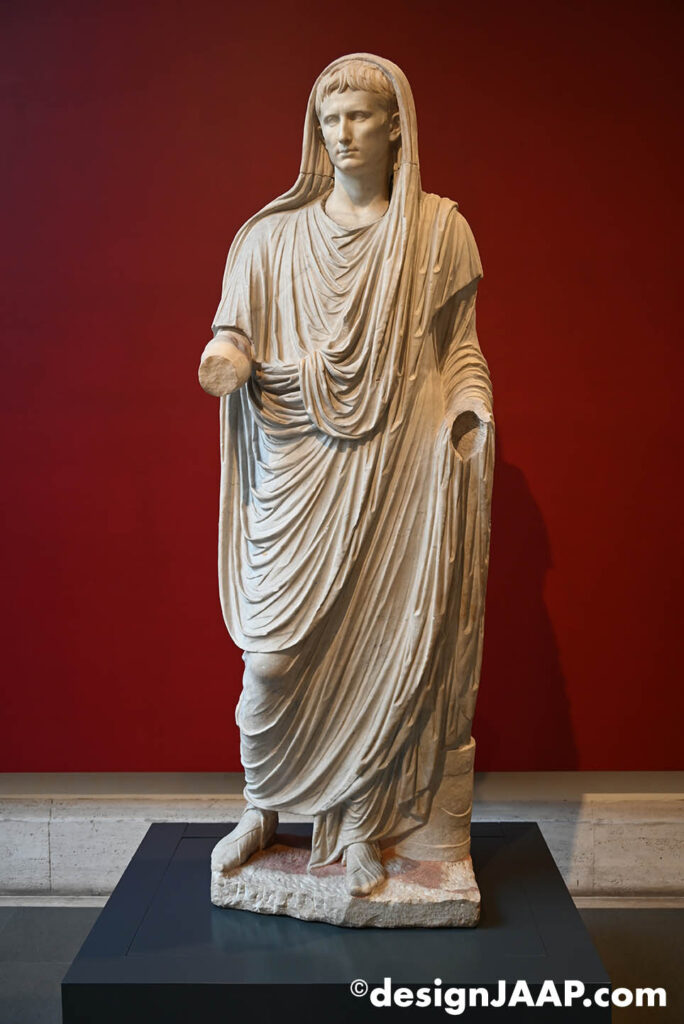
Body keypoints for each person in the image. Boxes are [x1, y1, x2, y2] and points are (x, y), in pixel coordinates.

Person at [199, 54, 493, 897]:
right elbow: (233, 332)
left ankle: (363, 825)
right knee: (271, 661)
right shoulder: (268, 239)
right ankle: (261, 807)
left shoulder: (438, 233)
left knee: (383, 655)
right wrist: (227, 355)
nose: (342, 133)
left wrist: (470, 414)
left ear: (396, 126)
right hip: (297, 470)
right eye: (329, 120)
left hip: (397, 472)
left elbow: (461, 355)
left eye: (359, 116)